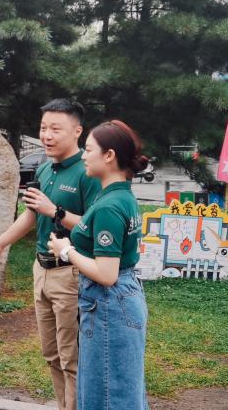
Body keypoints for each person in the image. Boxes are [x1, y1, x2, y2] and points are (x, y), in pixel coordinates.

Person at [0, 99, 100, 410]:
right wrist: (0, 243)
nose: (46, 135)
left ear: (77, 131)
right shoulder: (45, 168)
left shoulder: (88, 173)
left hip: (70, 273)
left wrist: (54, 210)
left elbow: (94, 226)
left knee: (72, 358)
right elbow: (32, 214)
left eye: (55, 129)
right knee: (52, 355)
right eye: (44, 128)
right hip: (41, 270)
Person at [48, 119, 150, 410]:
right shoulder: (119, 196)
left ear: (109, 155)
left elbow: (107, 274)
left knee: (107, 395)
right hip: (117, 301)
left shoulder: (109, 206)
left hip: (108, 303)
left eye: (89, 149)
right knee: (116, 388)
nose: (83, 155)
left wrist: (66, 251)